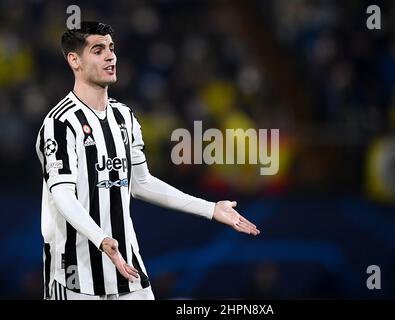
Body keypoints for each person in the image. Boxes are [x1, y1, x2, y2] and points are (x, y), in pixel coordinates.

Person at [35, 21, 260, 300]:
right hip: (75, 274)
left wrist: (210, 208)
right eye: (98, 50)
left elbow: (141, 183)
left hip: (127, 267)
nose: (110, 56)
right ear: (74, 60)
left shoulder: (124, 117)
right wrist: (102, 240)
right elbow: (63, 196)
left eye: (111, 48)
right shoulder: (59, 122)